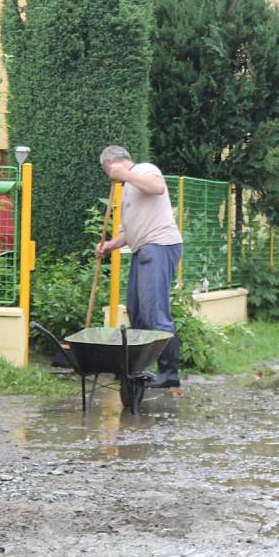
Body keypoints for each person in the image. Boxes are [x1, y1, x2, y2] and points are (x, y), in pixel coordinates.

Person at [96, 145, 183, 388]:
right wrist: (109, 245)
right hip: (142, 250)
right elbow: (127, 232)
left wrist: (126, 175)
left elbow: (158, 187)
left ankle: (170, 374)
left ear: (112, 162)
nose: (108, 175)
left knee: (154, 313)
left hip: (158, 246)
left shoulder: (144, 169)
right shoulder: (126, 191)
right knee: (137, 312)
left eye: (107, 170)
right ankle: (139, 369)